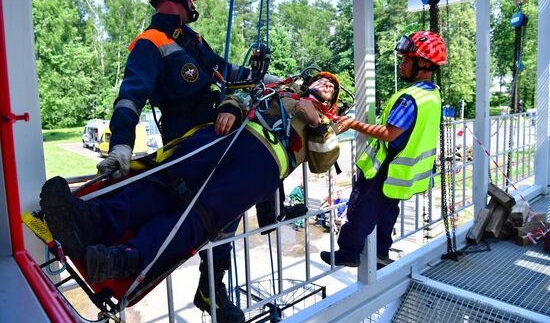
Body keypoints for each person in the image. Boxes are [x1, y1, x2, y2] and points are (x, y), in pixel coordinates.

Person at [40, 72, 341, 317]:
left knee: (200, 215)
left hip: (262, 165)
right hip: (229, 135)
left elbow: (322, 161)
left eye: (331, 87)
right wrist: (230, 108)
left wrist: (315, 122)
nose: (326, 85)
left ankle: (121, 261)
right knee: (167, 179)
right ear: (310, 81)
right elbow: (243, 94)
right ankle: (94, 220)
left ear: (331, 101)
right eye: (323, 80)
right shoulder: (280, 87)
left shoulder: (325, 125)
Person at [93, 0, 281, 322]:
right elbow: (130, 99)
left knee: (229, 208)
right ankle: (129, 251)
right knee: (201, 211)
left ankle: (212, 287)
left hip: (215, 135)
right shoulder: (150, 43)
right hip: (185, 142)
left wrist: (264, 78)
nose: (193, 1)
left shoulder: (190, 40)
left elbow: (224, 72)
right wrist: (120, 145)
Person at [320, 31, 447, 268]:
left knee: (360, 208)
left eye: (407, 60)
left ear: (422, 64)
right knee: (388, 211)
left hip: (386, 165)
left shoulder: (410, 98)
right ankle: (380, 253)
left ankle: (348, 252)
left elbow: (390, 133)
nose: (402, 64)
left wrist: (351, 123)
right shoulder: (432, 94)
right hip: (403, 171)